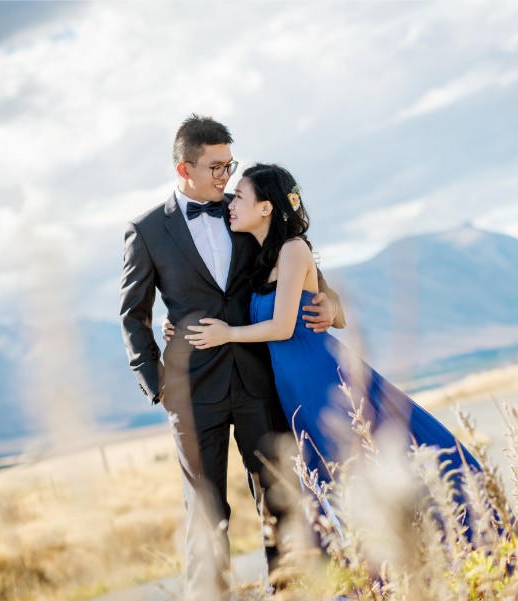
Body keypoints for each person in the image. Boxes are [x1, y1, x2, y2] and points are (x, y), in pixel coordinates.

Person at [179, 163, 482, 527]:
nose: (231, 203)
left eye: (240, 196)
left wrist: (228, 333)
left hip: (322, 375)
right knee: (333, 475)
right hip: (293, 385)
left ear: (265, 208)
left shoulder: (293, 249)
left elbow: (284, 325)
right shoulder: (259, 254)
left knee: (361, 460)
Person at [119, 115, 344, 601]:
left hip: (259, 380)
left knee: (281, 499)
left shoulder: (242, 212)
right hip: (191, 391)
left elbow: (300, 267)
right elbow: (132, 314)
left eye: (229, 165)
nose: (226, 176)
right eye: (216, 166)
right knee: (206, 513)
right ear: (185, 169)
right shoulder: (146, 230)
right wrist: (157, 381)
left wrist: (328, 304)